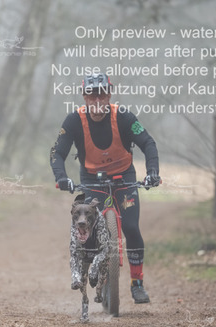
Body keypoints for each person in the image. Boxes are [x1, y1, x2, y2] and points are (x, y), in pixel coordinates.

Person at [50, 73, 160, 304]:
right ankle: (93, 271)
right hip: (92, 180)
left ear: (109, 95)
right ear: (84, 97)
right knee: (89, 230)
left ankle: (137, 283)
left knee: (131, 227)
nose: (97, 100)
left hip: (124, 179)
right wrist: (62, 178)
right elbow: (57, 152)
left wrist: (152, 173)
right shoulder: (74, 120)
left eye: (102, 95)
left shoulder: (124, 117)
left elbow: (148, 143)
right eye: (92, 96)